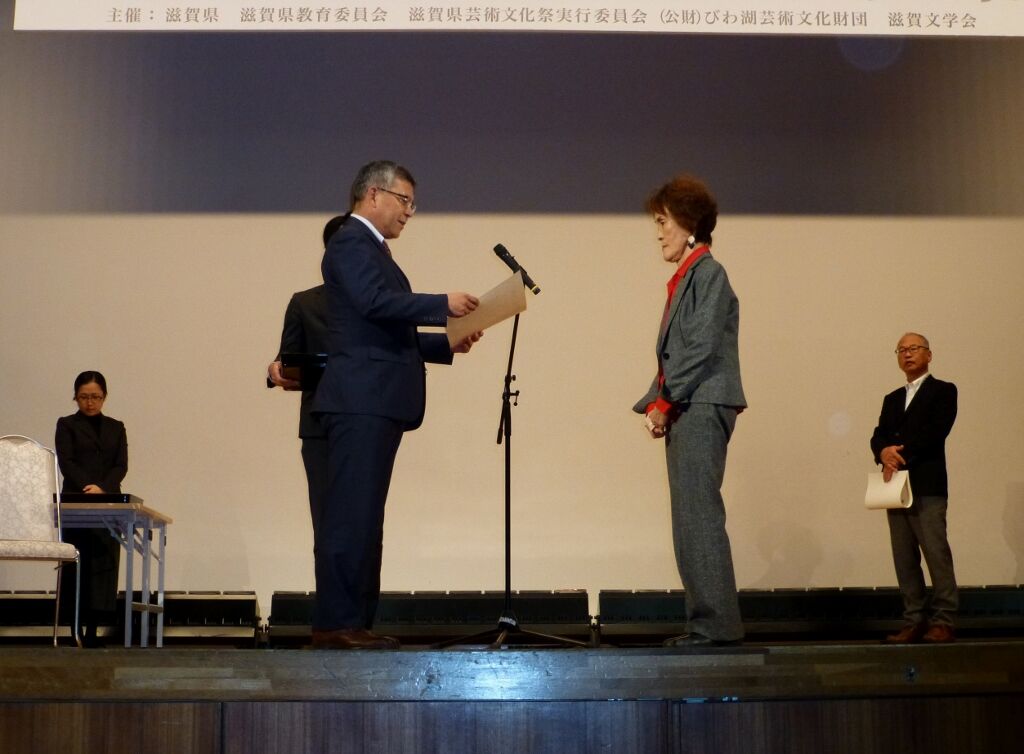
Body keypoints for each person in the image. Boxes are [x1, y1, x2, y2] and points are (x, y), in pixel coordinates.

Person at [311, 160, 481, 650]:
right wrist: (441, 304)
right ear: (373, 195)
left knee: (366, 518)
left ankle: (356, 622)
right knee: (351, 516)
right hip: (360, 400)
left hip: (375, 400)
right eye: (404, 200)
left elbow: (380, 333)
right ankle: (336, 624)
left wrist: (445, 344)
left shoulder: (372, 249)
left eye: (412, 204)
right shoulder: (350, 240)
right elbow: (374, 304)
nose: (409, 212)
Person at [633, 175, 747, 647]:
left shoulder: (709, 273)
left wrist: (664, 401)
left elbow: (699, 347)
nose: (659, 233)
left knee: (698, 516)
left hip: (700, 402)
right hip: (689, 403)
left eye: (663, 222)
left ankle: (716, 628)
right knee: (689, 518)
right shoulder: (691, 275)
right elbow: (678, 353)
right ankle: (705, 624)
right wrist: (655, 400)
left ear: (689, 223)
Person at [870, 332, 958, 644]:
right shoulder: (892, 398)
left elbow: (936, 432)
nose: (907, 354)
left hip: (927, 485)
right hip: (896, 486)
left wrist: (896, 455)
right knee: (904, 557)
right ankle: (914, 620)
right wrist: (883, 452)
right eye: (901, 350)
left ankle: (944, 620)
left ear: (929, 355)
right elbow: (879, 434)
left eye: (914, 348)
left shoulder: (944, 391)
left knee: (936, 553)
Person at [267, 215, 346, 557]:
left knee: (365, 523)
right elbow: (288, 358)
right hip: (320, 425)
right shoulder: (305, 302)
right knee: (326, 522)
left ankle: (362, 594)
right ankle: (329, 591)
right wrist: (276, 368)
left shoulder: (379, 300)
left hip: (369, 423)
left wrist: (446, 343)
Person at [55, 370, 128, 645]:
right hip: (77, 502)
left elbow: (120, 465)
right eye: (84, 396)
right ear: (75, 397)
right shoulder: (66, 424)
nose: (90, 402)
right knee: (77, 564)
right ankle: (75, 630)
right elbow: (66, 461)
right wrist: (88, 486)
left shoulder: (116, 427)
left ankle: (95, 630)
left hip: (108, 504)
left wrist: (103, 487)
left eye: (95, 397)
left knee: (103, 565)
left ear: (104, 397)